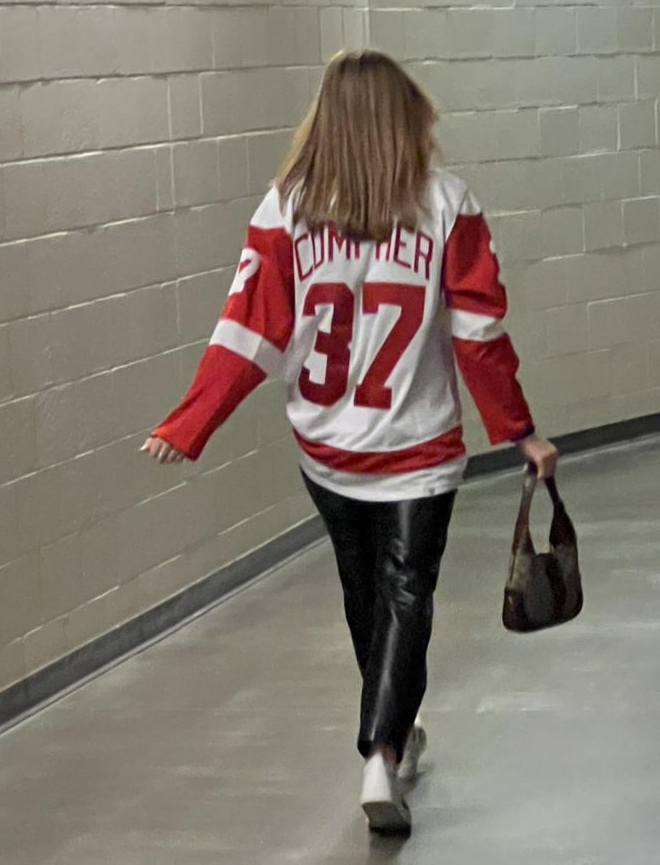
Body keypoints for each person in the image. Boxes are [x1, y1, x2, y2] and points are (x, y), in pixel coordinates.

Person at [142, 49, 558, 836]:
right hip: (419, 448)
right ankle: (383, 749)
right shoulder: (447, 205)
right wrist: (521, 431)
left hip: (327, 450)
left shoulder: (286, 208)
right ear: (406, 117)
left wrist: (190, 420)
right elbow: (478, 336)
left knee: (368, 594)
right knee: (406, 596)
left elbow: (249, 331)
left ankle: (390, 734)